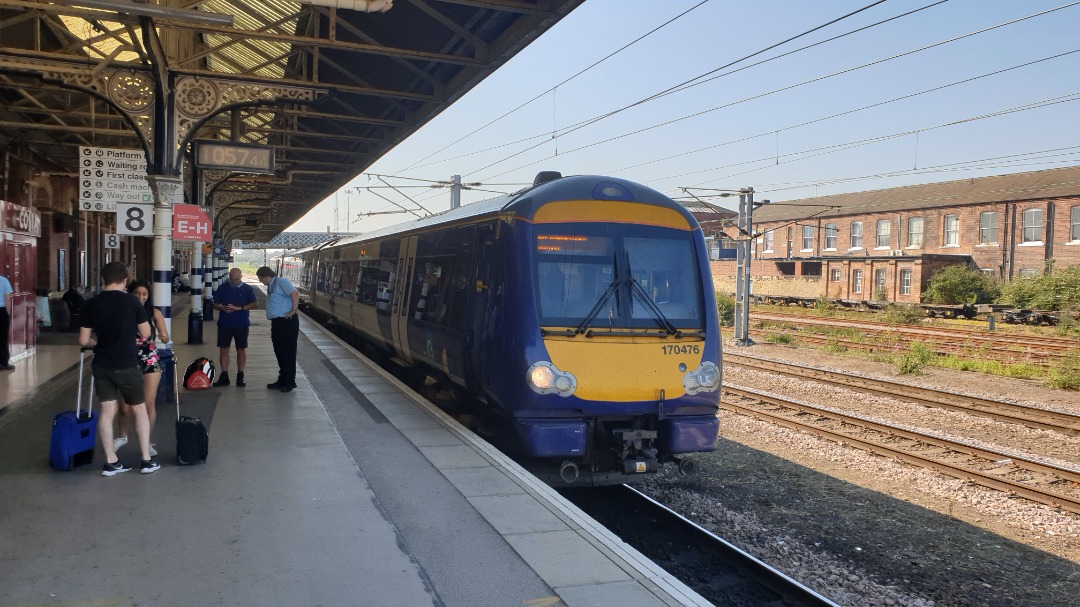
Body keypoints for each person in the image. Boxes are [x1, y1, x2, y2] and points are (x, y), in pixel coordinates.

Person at [78, 262, 160, 476]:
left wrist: (95, 343)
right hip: (126, 363)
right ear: (124, 280)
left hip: (102, 364)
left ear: (103, 279)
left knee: (107, 412)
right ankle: (146, 460)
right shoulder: (132, 302)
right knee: (139, 409)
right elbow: (145, 334)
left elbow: (83, 340)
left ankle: (111, 462)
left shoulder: (90, 304)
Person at [113, 280, 170, 456]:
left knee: (148, 404)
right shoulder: (122, 312)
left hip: (149, 359)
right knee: (124, 406)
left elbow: (166, 338)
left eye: (144, 294)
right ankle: (122, 436)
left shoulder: (154, 313)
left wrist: (164, 336)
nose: (141, 297)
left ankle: (147, 442)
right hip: (127, 359)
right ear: (130, 294)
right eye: (137, 293)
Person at [256, 266, 299, 392]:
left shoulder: (281, 282)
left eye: (260, 279)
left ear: (266, 276)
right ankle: (282, 379)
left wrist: (293, 310)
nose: (260, 282)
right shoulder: (271, 285)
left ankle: (290, 382)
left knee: (288, 352)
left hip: (286, 322)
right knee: (279, 351)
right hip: (277, 322)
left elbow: (295, 293)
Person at [212, 268, 257, 387]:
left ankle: (240, 375)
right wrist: (222, 308)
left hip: (241, 324)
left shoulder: (248, 289)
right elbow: (215, 304)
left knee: (241, 349)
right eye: (231, 279)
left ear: (241, 277)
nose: (233, 281)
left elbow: (255, 304)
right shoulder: (223, 288)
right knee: (223, 349)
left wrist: (240, 308)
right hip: (224, 324)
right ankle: (224, 375)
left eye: (236, 279)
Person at [0, 272, 13, 371]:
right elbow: (7, 299)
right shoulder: (3, 280)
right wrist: (7, 313)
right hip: (1, 312)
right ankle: (3, 363)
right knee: (2, 338)